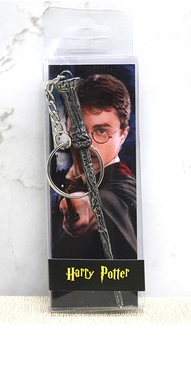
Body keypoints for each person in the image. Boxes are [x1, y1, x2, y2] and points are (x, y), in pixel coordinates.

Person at [51, 73, 137, 261]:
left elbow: (118, 200)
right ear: (67, 128)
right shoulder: (61, 179)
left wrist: (88, 205)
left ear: (123, 135)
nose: (87, 143)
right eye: (78, 130)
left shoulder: (126, 187)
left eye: (101, 131)